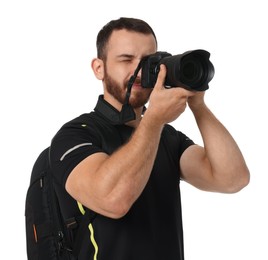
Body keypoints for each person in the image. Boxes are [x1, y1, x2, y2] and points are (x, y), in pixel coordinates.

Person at [50, 17, 250, 260]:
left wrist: (198, 105)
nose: (139, 71)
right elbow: (113, 200)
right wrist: (154, 119)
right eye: (126, 60)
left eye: (147, 62)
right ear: (98, 68)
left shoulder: (167, 137)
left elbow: (232, 178)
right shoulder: (75, 135)